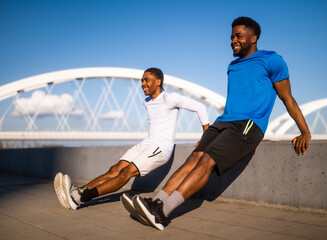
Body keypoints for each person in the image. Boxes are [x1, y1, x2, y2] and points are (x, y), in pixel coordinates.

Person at [125, 17, 312, 231]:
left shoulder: (272, 60)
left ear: (253, 38)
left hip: (247, 125)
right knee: (192, 160)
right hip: (222, 122)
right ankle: (156, 202)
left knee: (206, 161)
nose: (233, 40)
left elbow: (287, 98)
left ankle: (163, 212)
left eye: (238, 36)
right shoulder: (232, 66)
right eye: (231, 36)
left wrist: (304, 132)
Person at [54, 67, 210, 212]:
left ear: (158, 82)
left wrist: (206, 135)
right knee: (114, 170)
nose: (142, 84)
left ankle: (81, 198)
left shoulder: (170, 98)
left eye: (146, 80)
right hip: (146, 144)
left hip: (160, 149)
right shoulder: (146, 102)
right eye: (141, 81)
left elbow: (200, 108)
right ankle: (79, 192)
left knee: (125, 173)